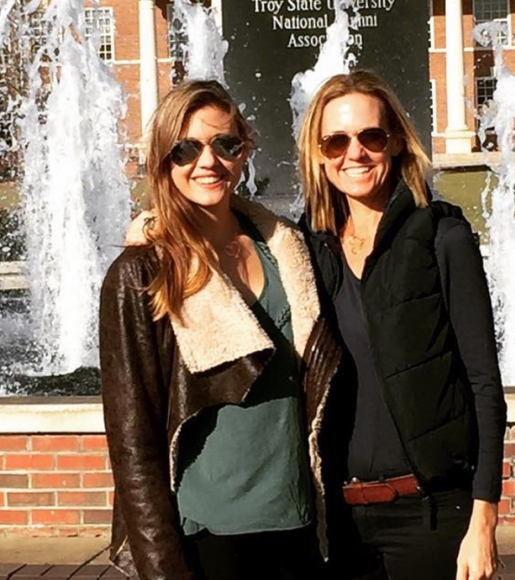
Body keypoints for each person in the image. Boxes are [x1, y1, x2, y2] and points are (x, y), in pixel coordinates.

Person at [99, 79, 341, 580]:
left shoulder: (287, 249)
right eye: (186, 149)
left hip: (298, 522)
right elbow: (132, 442)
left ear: (244, 150)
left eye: (225, 144)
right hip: (207, 535)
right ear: (163, 160)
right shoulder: (142, 273)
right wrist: (162, 567)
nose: (207, 161)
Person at [296, 70, 507, 580]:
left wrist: (483, 519)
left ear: (394, 141)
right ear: (319, 154)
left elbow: (484, 384)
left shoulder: (442, 237)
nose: (355, 153)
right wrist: (157, 226)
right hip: (337, 521)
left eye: (371, 136)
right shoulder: (307, 248)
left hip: (430, 515)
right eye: (336, 141)